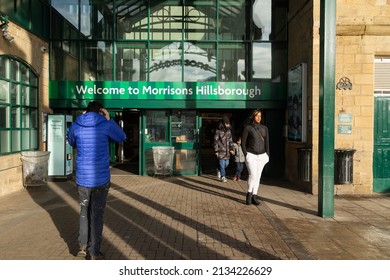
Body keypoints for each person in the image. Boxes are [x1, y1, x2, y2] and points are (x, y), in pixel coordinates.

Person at [68, 101, 126, 260]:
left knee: (83, 212)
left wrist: (81, 120)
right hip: (101, 180)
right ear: (101, 111)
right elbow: (122, 137)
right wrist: (109, 119)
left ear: (86, 111)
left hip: (83, 179)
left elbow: (72, 141)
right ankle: (93, 252)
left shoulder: (76, 125)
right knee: (97, 215)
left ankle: (81, 247)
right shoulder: (105, 124)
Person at [241, 109, 269, 205]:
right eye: (257, 116)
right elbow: (243, 143)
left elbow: (267, 143)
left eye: (260, 116)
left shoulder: (265, 128)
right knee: (252, 175)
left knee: (258, 177)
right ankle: (249, 193)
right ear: (253, 117)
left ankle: (254, 196)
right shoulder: (248, 128)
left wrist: (267, 155)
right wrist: (246, 154)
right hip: (251, 155)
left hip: (262, 155)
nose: (259, 118)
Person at [213, 114, 233, 183]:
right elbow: (215, 141)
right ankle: (223, 176)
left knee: (226, 164)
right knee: (222, 164)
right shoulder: (218, 131)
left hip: (227, 152)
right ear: (223, 123)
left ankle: (218, 169)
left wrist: (231, 149)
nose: (227, 125)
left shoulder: (229, 131)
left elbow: (231, 141)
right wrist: (216, 150)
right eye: (226, 124)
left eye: (228, 124)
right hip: (220, 151)